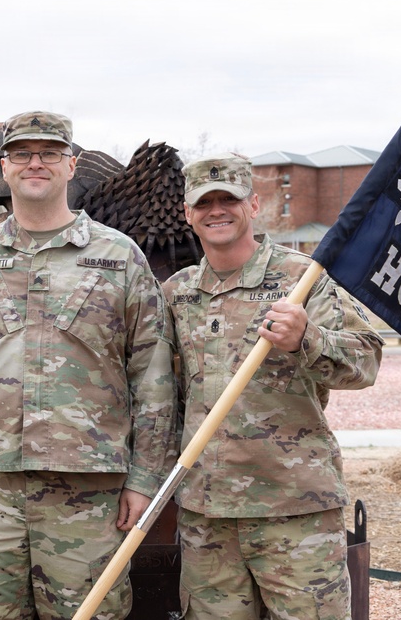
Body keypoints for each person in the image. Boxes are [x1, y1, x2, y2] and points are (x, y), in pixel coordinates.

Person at [0, 110, 178, 619]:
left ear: (71, 165)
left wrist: (143, 480)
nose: (35, 163)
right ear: (4, 168)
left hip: (89, 497)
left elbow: (152, 377)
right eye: (22, 153)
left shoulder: (120, 257)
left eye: (49, 153)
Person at [162, 153, 383, 620]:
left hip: (294, 507)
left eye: (230, 200)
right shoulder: (177, 293)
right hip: (208, 512)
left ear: (254, 204)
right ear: (188, 213)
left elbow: (366, 361)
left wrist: (307, 338)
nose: (217, 210)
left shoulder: (303, 281)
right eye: (205, 203)